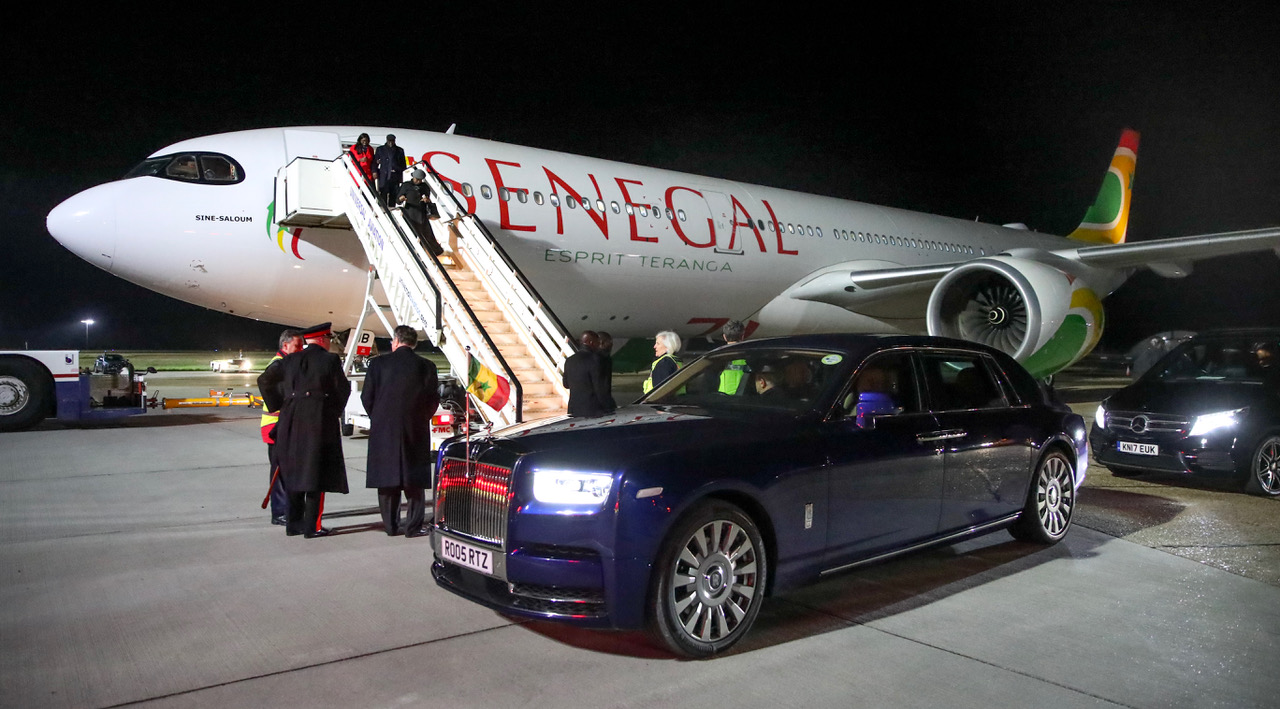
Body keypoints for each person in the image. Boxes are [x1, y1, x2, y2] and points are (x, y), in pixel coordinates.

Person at [274, 322, 351, 538]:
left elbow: (267, 382)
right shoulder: (329, 360)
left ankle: (293, 525)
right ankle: (312, 527)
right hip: (319, 424)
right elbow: (342, 390)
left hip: (290, 424)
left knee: (294, 473)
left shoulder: (289, 360)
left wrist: (285, 405)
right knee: (316, 476)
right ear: (323, 339)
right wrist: (330, 412)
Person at [362, 325, 439, 538]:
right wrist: (420, 417)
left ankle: (390, 525)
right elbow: (433, 400)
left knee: (387, 481)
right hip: (414, 428)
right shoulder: (426, 366)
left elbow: (367, 397)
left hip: (384, 429)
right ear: (413, 343)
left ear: (395, 341)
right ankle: (413, 526)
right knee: (414, 481)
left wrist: (379, 418)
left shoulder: (378, 364)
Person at [256, 328, 303, 526]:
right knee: (280, 472)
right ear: (285, 346)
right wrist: (280, 406)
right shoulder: (279, 364)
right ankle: (280, 512)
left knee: (286, 470)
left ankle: (287, 510)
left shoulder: (286, 362)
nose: (301, 349)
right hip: (275, 425)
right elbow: (263, 381)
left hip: (282, 425)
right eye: (297, 346)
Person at [397, 169, 444, 256]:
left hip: (422, 212)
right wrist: (401, 198)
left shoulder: (424, 187)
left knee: (427, 233)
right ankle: (417, 253)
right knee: (413, 233)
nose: (418, 181)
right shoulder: (406, 185)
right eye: (417, 179)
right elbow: (397, 200)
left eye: (420, 180)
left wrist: (427, 200)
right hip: (410, 213)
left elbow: (428, 199)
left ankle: (436, 251)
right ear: (413, 177)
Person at [564, 331, 610, 417]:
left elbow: (566, 384)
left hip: (573, 408)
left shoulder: (569, 360)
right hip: (592, 410)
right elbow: (599, 387)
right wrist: (608, 407)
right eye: (597, 343)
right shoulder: (595, 359)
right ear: (591, 343)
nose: (599, 346)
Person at [375, 134, 407, 209]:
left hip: (395, 175)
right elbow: (375, 162)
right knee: (383, 193)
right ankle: (383, 209)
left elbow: (403, 164)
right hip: (384, 175)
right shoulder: (380, 149)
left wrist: (399, 172)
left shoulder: (399, 150)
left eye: (392, 141)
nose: (391, 142)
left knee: (394, 194)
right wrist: (375, 171)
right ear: (386, 140)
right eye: (389, 141)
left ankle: (392, 209)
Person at [718, 320, 749, 395]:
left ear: (724, 337)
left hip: (723, 398)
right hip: (743, 397)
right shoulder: (748, 355)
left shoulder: (718, 356)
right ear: (742, 336)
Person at [596, 331, 617, 411]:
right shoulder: (603, 358)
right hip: (602, 401)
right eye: (610, 342)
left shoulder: (600, 357)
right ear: (602, 342)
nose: (611, 345)